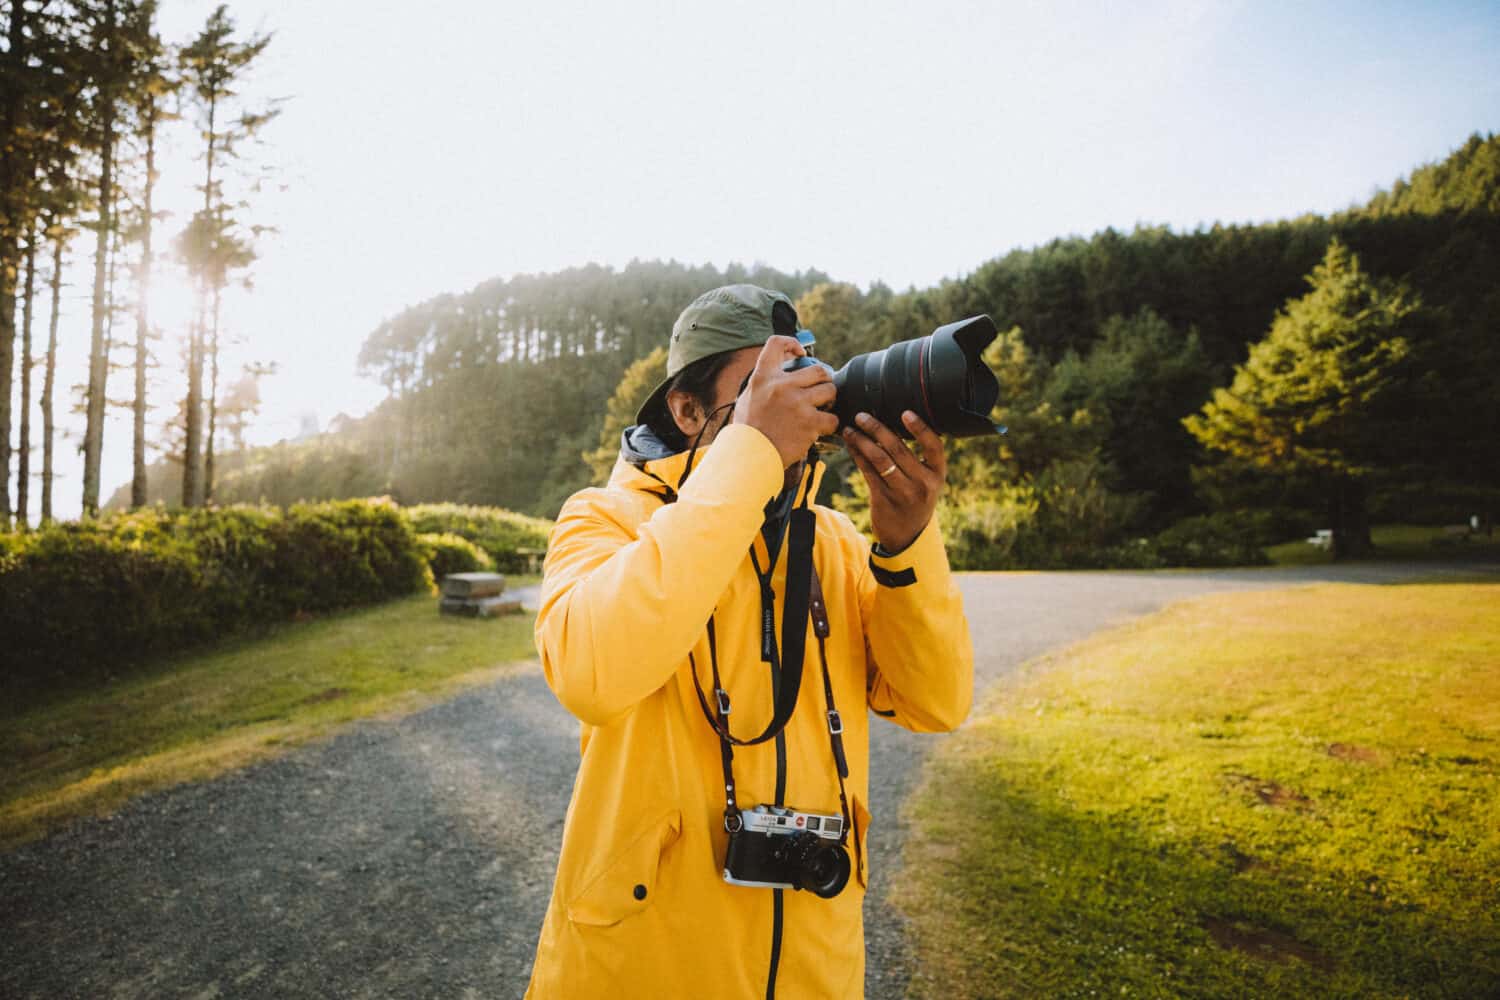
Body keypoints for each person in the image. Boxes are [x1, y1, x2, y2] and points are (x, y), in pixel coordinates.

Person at [524, 284, 974, 998]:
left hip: (815, 967)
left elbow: (936, 703)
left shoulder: (832, 543)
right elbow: (590, 671)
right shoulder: (605, 520)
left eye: (802, 379)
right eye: (763, 385)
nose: (795, 405)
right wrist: (752, 455)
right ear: (687, 409)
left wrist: (908, 542)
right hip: (645, 968)